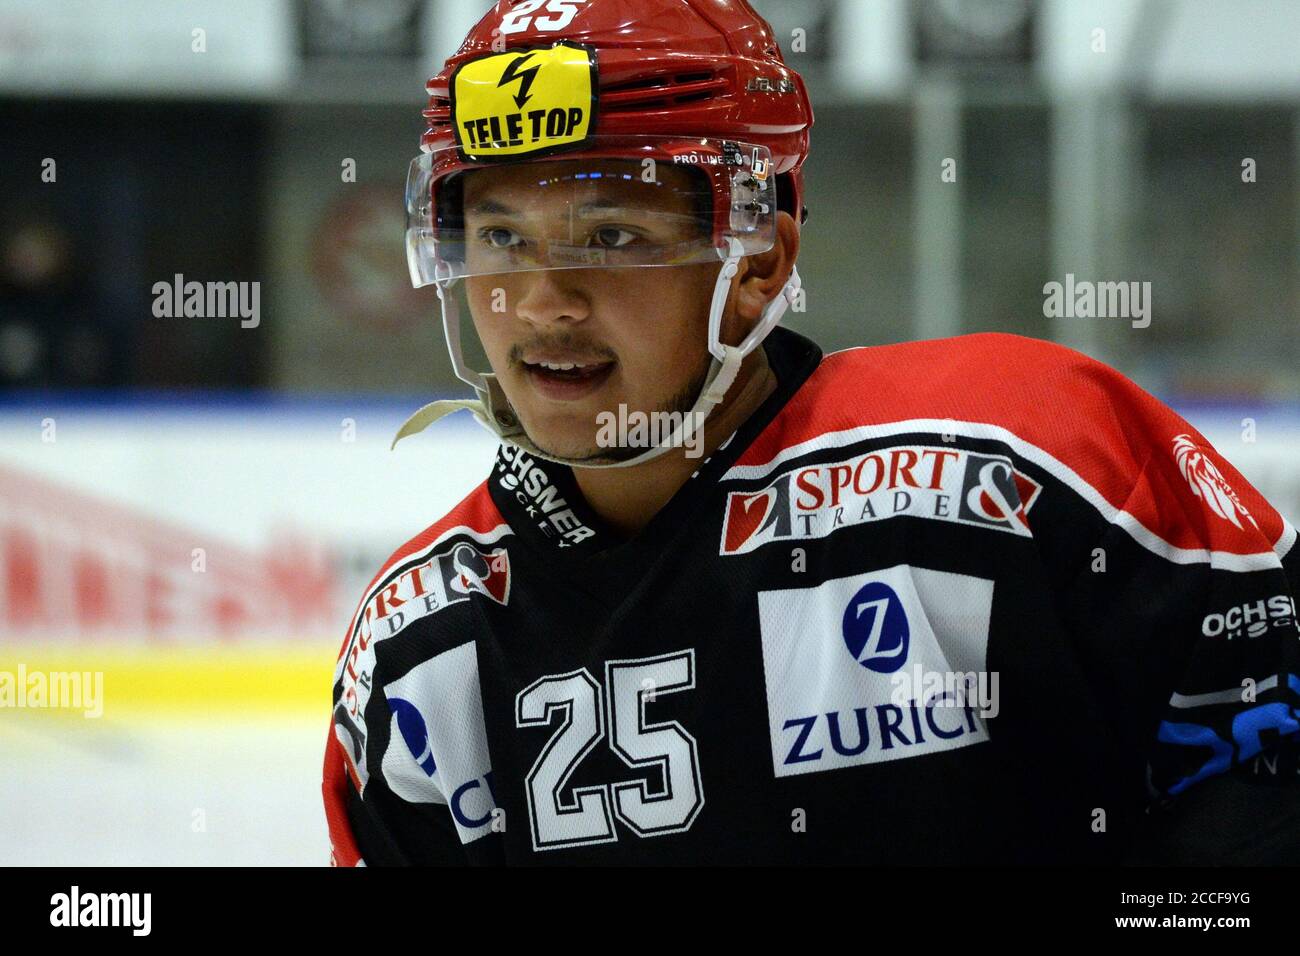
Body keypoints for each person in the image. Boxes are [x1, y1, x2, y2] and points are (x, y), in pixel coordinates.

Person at [322, 0, 1299, 865]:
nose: (540, 303)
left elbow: (1260, 769)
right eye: (499, 236)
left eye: (608, 234)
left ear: (757, 256)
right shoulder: (418, 647)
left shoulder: (1020, 468)